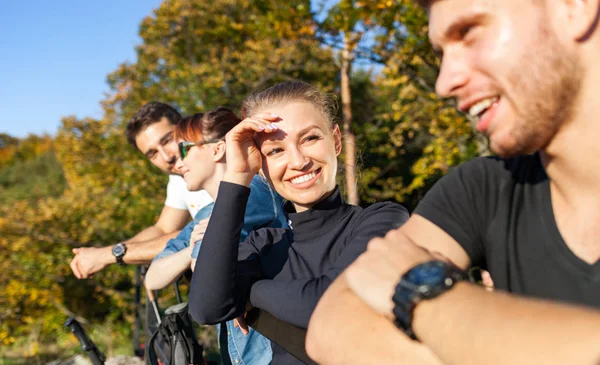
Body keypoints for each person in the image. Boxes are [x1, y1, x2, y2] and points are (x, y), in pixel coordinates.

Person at [306, 0, 600, 364]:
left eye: (469, 31)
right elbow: (331, 327)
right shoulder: (484, 188)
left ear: (575, 7)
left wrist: (428, 291)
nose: (444, 83)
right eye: (441, 52)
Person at [187, 81, 410, 364]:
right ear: (262, 167)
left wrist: (251, 292)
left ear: (336, 141)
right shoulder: (264, 244)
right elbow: (207, 307)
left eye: (309, 138)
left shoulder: (383, 220)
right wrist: (237, 175)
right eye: (275, 151)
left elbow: (327, 304)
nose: (298, 160)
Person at [144, 108, 288, 365]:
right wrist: (189, 250)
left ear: (218, 149)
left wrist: (199, 250)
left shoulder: (256, 192)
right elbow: (153, 278)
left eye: (185, 150)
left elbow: (208, 276)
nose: (178, 164)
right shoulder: (204, 217)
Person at [70, 102, 212, 279]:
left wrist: (108, 255)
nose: (167, 157)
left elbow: (192, 235)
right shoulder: (178, 179)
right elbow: (162, 229)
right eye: (153, 153)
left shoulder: (213, 162)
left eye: (167, 140)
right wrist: (108, 252)